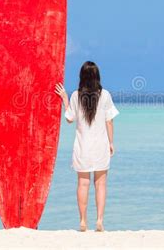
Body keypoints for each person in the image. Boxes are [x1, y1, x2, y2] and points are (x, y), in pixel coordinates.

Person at [55, 61, 119, 232]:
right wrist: (111, 143)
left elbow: (69, 119)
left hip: (82, 148)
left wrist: (64, 99)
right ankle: (99, 220)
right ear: (97, 77)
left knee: (83, 184)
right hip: (100, 147)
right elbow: (109, 121)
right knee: (101, 185)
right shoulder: (104, 95)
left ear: (81, 77)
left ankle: (83, 221)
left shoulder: (76, 95)